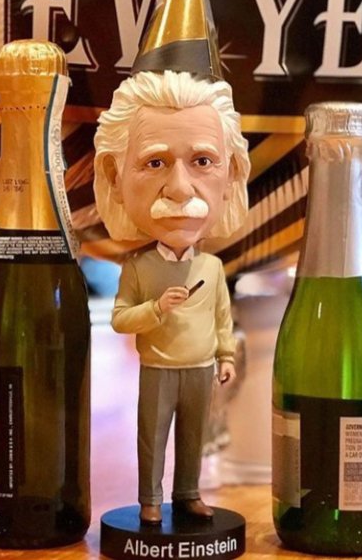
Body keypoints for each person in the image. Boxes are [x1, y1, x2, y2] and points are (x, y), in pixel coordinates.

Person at [94, 69, 250, 525]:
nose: (180, 188)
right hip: (158, 369)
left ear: (231, 173)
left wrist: (225, 355)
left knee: (194, 437)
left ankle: (188, 494)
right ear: (115, 177)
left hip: (201, 369)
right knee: (152, 435)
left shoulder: (212, 269)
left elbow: (222, 318)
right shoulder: (138, 269)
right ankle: (149, 498)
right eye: (155, 162)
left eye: (202, 161)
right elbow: (121, 319)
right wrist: (156, 308)